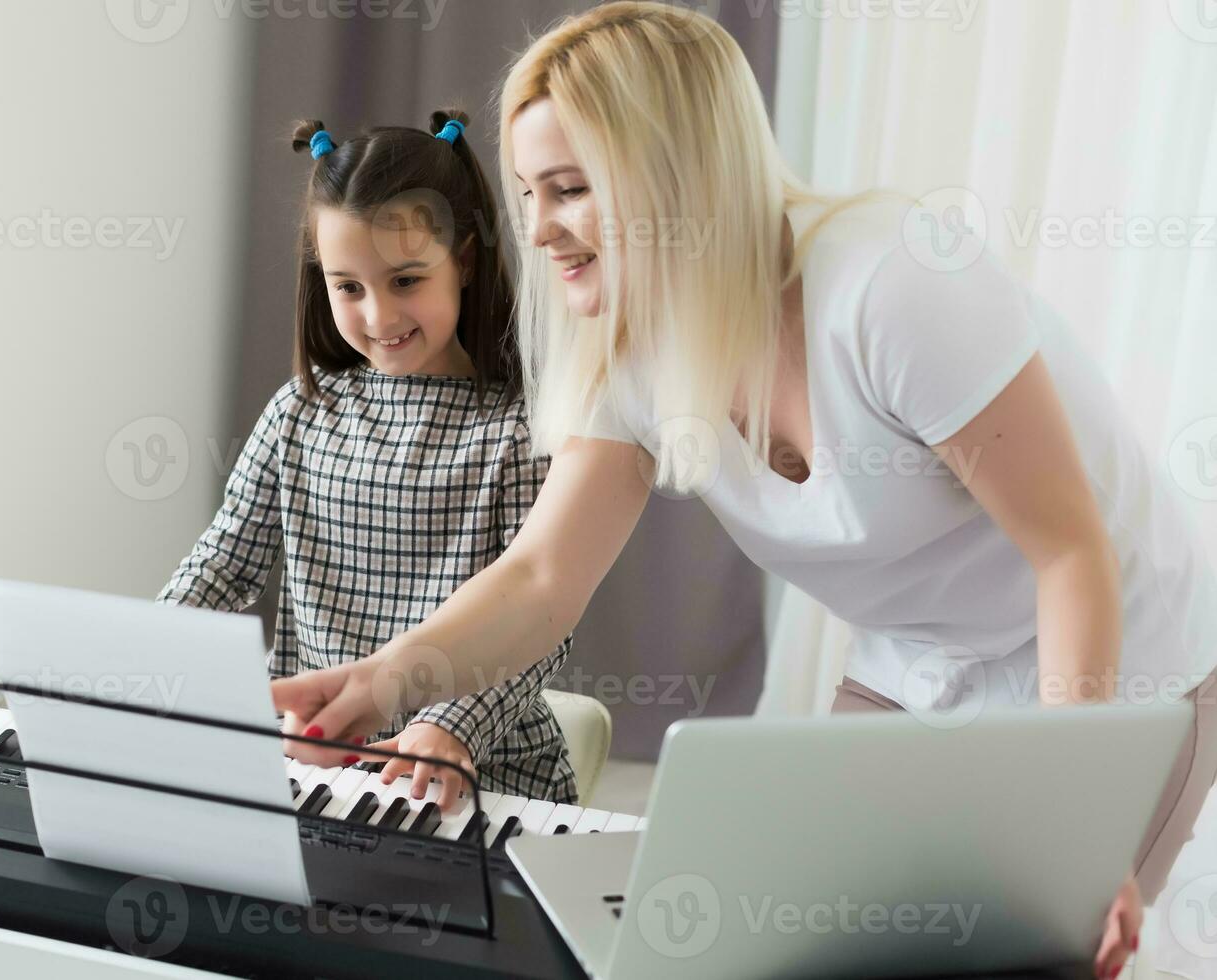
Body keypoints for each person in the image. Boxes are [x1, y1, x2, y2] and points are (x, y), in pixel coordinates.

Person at [269, 5, 1217, 978]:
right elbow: (544, 575)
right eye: (527, 193)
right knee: (811, 943)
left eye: (570, 188)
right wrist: (388, 676)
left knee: (1039, 952)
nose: (539, 228)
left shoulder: (894, 286)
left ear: (674, 172)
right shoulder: (627, 344)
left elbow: (1070, 551)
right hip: (919, 660)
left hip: (1116, 654)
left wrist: (1073, 827)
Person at [159, 110, 578, 810]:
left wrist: (450, 727)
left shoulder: (519, 432)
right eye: (349, 287)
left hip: (475, 778)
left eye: (406, 280)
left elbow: (540, 624)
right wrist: (138, 660)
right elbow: (222, 566)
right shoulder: (298, 412)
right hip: (315, 770)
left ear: (464, 261)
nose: (379, 316)